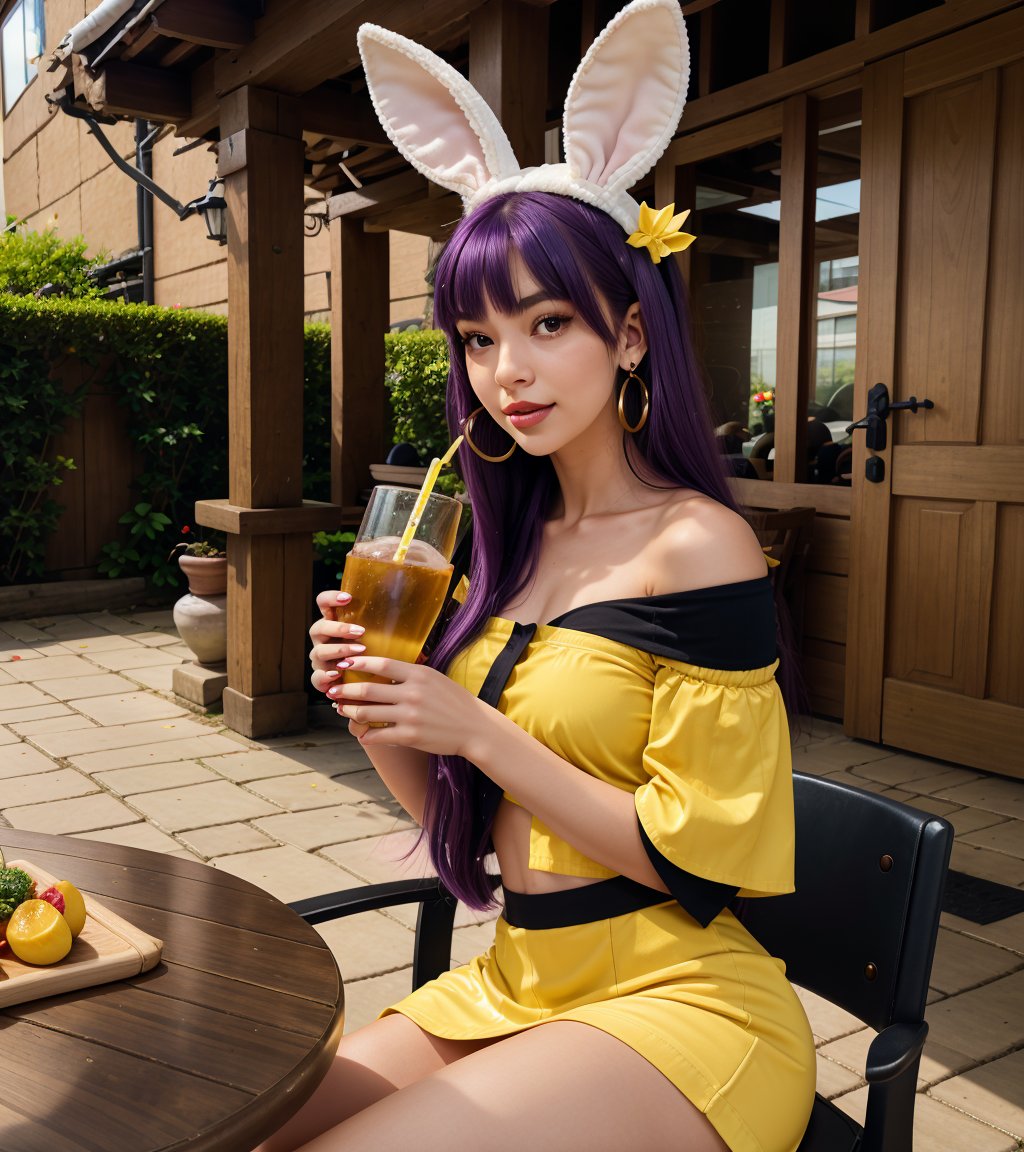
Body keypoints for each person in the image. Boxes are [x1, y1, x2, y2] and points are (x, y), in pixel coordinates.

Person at [262, 3, 815, 1149]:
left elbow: (700, 860)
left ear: (626, 335)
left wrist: (472, 726)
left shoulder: (694, 542)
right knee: (241, 1125)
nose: (505, 370)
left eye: (547, 321)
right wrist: (379, 707)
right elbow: (465, 842)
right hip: (521, 981)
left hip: (679, 1005)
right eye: (474, 336)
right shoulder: (505, 544)